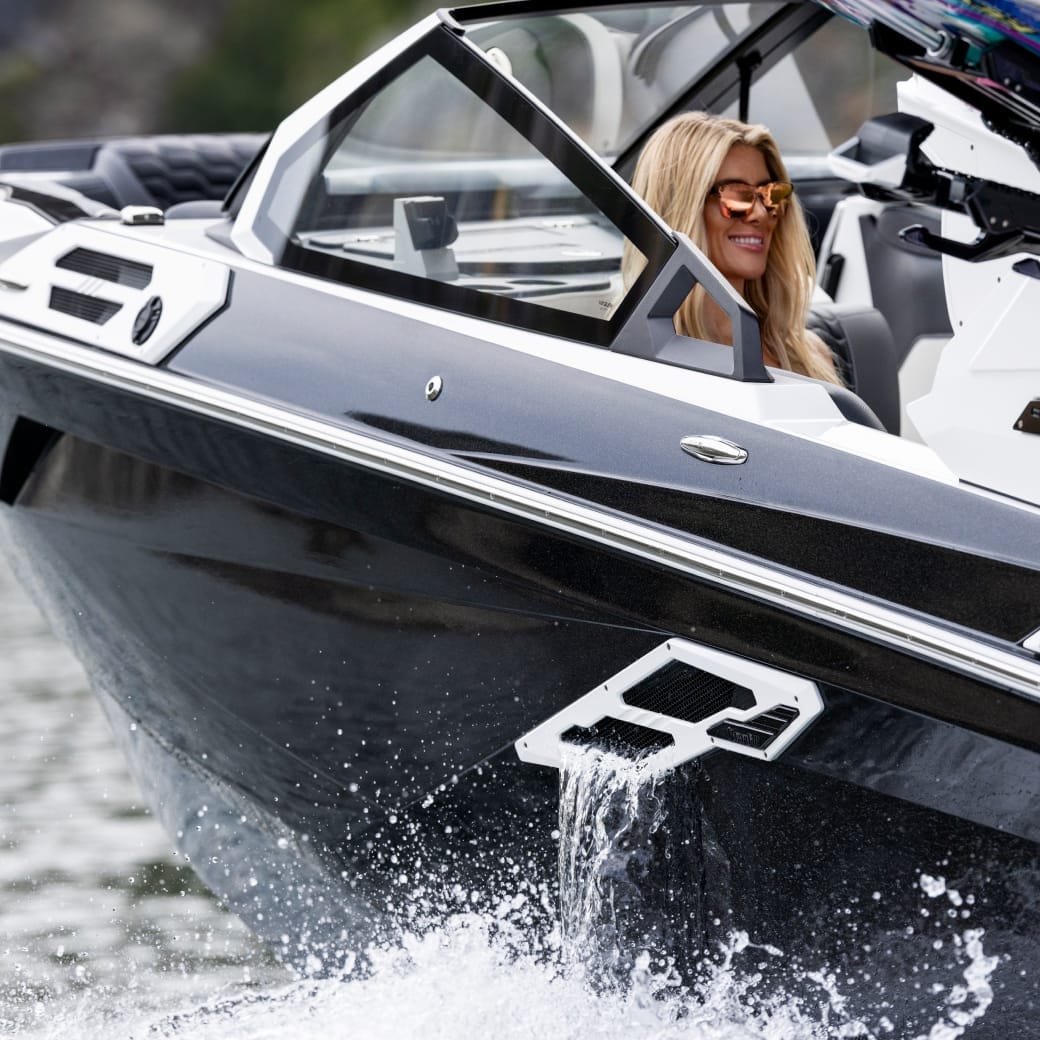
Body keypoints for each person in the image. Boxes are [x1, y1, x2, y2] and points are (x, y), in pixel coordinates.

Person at [624, 111, 841, 383]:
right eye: (737, 196)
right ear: (681, 208)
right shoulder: (645, 368)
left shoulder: (811, 354)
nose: (761, 214)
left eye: (770, 195)